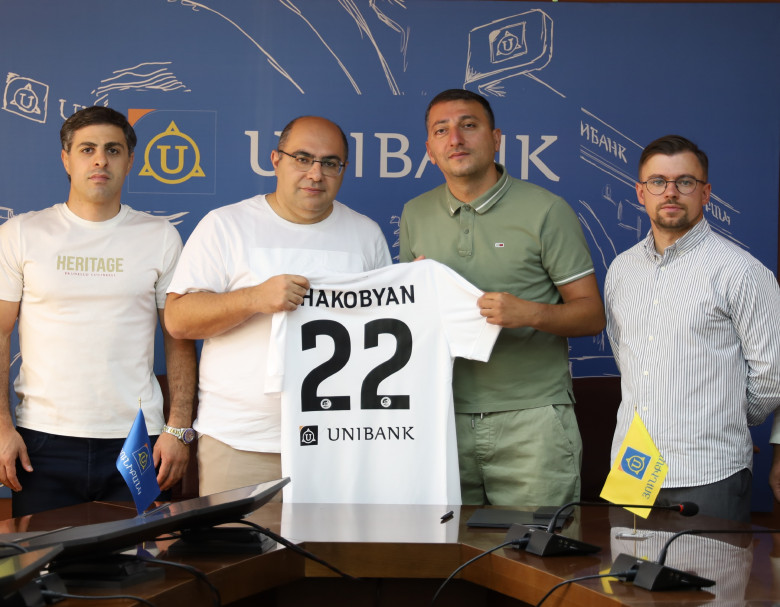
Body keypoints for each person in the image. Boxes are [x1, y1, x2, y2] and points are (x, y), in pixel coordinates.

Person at [164, 115, 392, 497]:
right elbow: (178, 319)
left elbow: (385, 331)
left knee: (333, 541)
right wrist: (254, 298)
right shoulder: (226, 225)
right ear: (275, 160)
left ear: (343, 169)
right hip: (242, 443)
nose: (315, 174)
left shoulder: (366, 235)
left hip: (339, 444)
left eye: (330, 163)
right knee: (240, 540)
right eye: (302, 158)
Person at [399, 89, 605, 506]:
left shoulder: (547, 210)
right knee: (448, 544)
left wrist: (529, 313)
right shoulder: (414, 214)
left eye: (468, 125)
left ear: (495, 139)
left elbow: (591, 316)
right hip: (441, 416)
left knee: (535, 545)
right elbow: (408, 320)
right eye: (442, 130)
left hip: (532, 420)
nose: (456, 139)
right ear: (430, 151)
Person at [0, 106, 197, 517]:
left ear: (130, 160)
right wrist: (2, 427)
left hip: (137, 439)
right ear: (65, 158)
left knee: (136, 558)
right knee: (43, 557)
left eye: (113, 150)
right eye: (87, 149)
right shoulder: (21, 233)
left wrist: (178, 428)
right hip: (42, 439)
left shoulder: (161, 236)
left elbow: (178, 335)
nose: (100, 160)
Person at [605, 134, 780, 523]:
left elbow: (772, 375)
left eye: (684, 182)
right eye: (657, 182)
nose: (670, 192)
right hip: (631, 470)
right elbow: (627, 358)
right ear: (640, 192)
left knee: (710, 565)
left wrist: (725, 414)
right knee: (625, 566)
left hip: (708, 470)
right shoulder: (621, 270)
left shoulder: (741, 272)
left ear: (706, 193)